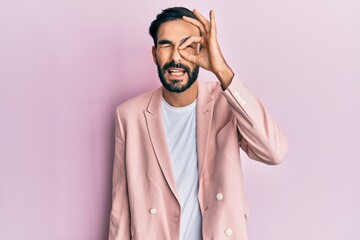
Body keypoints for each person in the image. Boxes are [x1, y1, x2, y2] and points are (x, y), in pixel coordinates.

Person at [108, 7, 288, 240]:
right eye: (166, 45)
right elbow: (120, 208)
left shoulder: (227, 102)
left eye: (187, 46)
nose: (176, 57)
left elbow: (274, 151)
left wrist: (221, 70)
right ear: (154, 53)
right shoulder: (129, 115)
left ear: (202, 50)